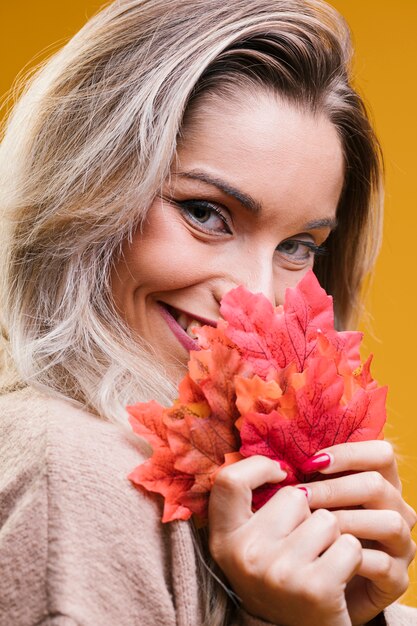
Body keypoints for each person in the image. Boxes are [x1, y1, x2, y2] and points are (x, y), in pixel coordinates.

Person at [0, 0, 416, 624]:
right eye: (204, 213)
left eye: (298, 247)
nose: (253, 295)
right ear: (81, 189)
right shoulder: (70, 466)